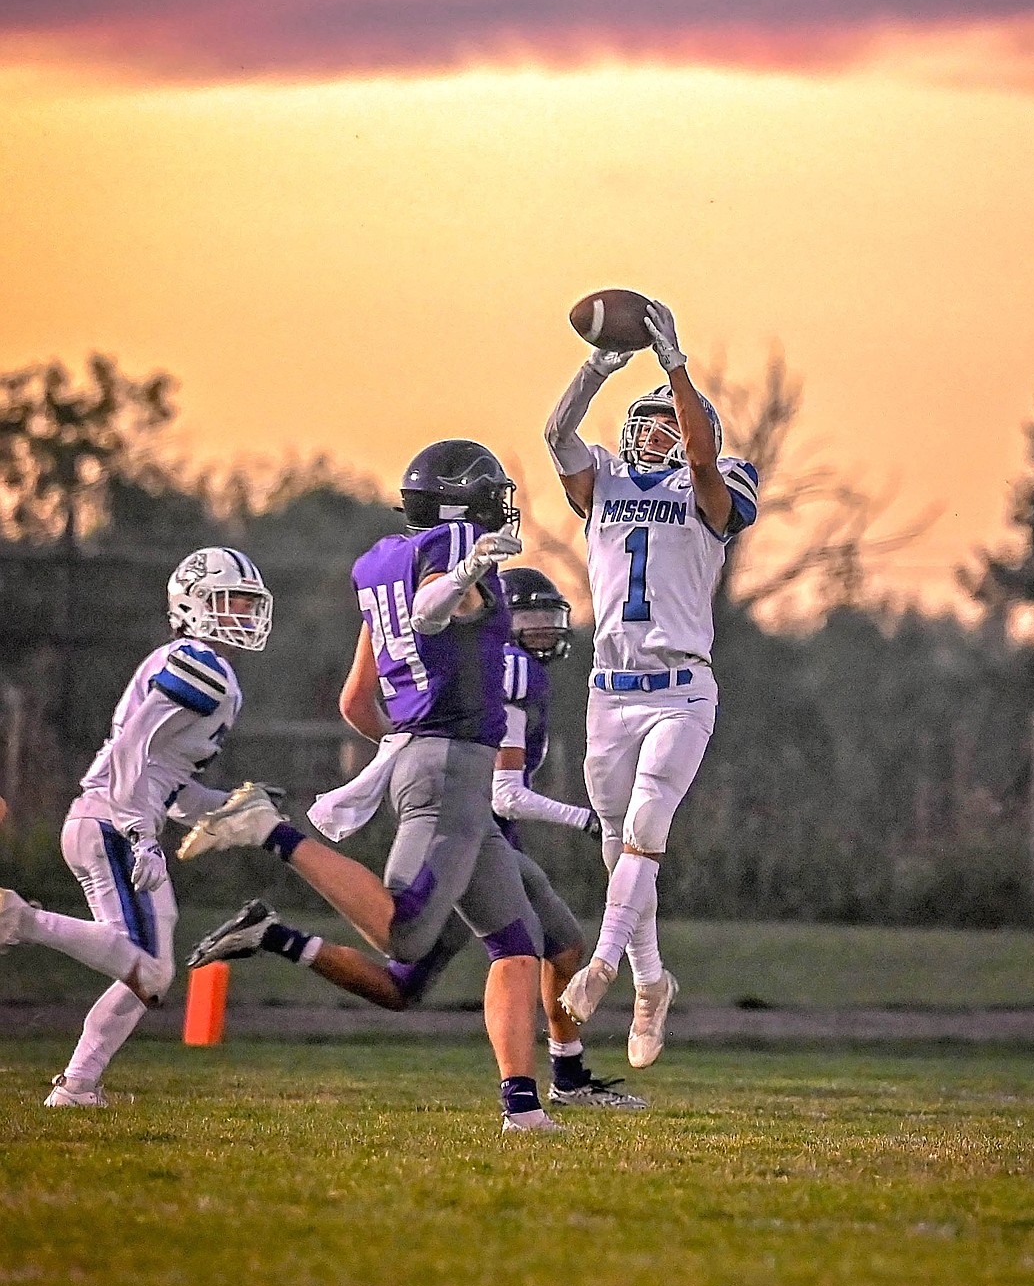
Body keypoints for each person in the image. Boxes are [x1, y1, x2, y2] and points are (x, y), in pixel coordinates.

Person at [175, 441, 560, 1133]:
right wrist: (470, 567)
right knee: (407, 936)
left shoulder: (380, 565)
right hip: (450, 766)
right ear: (459, 503)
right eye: (489, 493)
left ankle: (523, 1110)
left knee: (515, 941)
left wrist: (406, 739)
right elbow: (433, 610)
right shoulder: (452, 556)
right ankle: (269, 829)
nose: (502, 504)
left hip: (438, 761)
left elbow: (357, 701)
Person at [186, 566, 645, 1110]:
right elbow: (505, 792)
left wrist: (406, 749)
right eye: (532, 617)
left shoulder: (388, 597)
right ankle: (271, 851)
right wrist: (590, 820)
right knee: (408, 960)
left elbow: (356, 703)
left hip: (467, 818)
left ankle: (554, 1087)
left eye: (551, 618)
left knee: (550, 944)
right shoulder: (510, 664)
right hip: (465, 824)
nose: (544, 630)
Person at [543, 299, 759, 1067]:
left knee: (646, 829)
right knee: (616, 846)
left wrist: (675, 364)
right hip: (609, 689)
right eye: (651, 421)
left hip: (681, 690)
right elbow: (555, 436)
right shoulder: (601, 480)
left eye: (671, 421)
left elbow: (702, 465)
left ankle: (602, 969)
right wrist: (597, 366)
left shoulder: (718, 478)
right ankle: (652, 978)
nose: (654, 430)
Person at [0, 548, 278, 1107]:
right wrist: (139, 834)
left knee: (150, 971)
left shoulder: (197, 664)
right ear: (194, 604)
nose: (244, 614)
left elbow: (163, 780)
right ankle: (18, 919)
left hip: (105, 819)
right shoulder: (202, 663)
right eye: (232, 601)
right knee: (150, 969)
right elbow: (131, 748)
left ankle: (78, 1085)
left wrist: (225, 807)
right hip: (112, 823)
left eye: (250, 602)